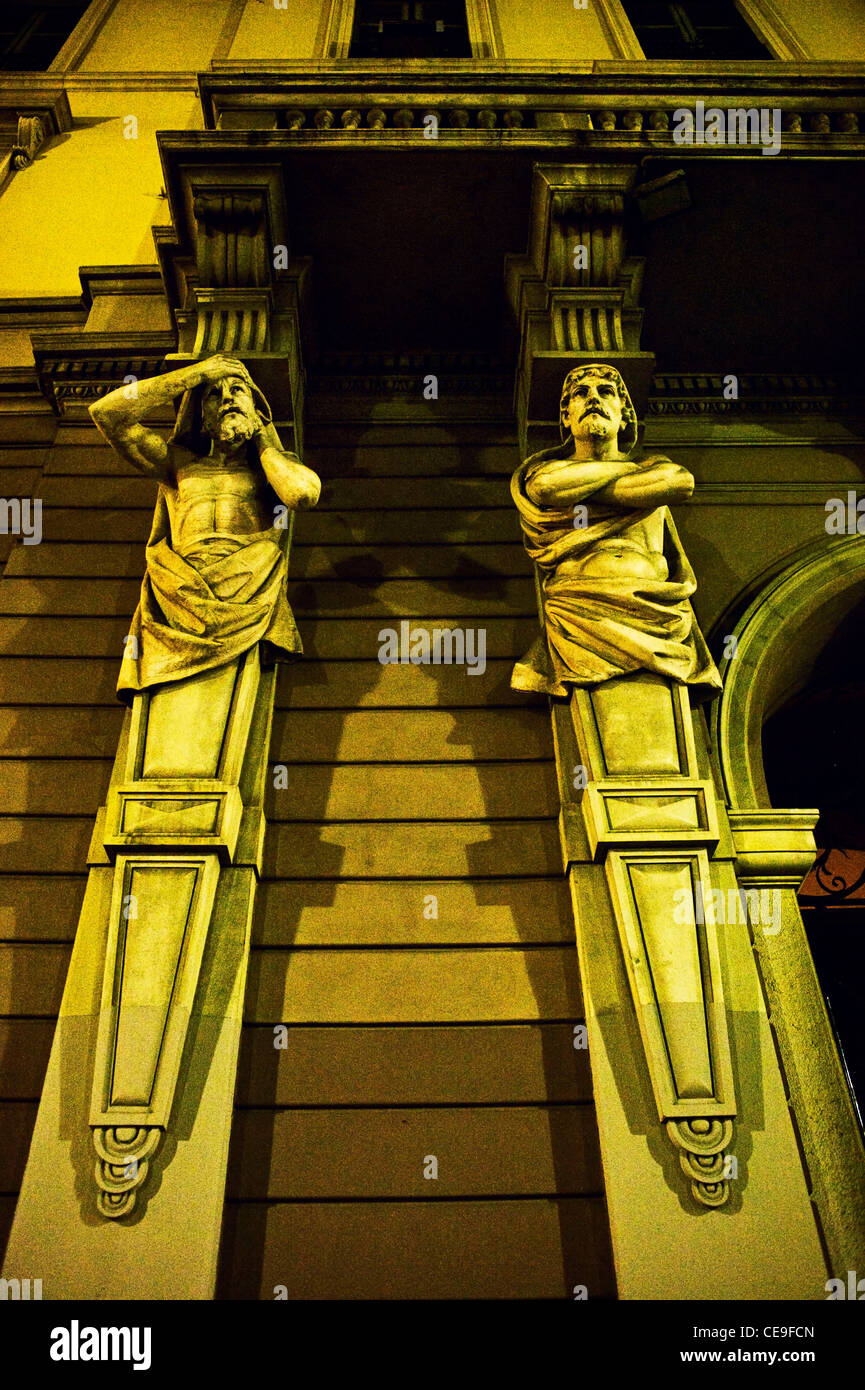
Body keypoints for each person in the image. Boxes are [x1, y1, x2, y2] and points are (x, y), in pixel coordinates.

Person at [89, 353, 320, 697]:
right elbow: (106, 415)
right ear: (201, 415)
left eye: (237, 390)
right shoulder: (179, 464)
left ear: (257, 409)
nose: (227, 398)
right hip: (179, 593)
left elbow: (301, 494)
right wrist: (197, 374)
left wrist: (264, 442)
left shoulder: (270, 470)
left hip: (245, 592)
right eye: (214, 394)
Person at [511, 363, 721, 697]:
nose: (593, 398)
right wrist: (632, 485)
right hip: (579, 616)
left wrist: (584, 486)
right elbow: (547, 488)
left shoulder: (655, 466)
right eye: (581, 394)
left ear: (624, 415)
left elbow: (678, 482)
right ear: (566, 417)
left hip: (656, 615)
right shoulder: (548, 470)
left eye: (605, 392)